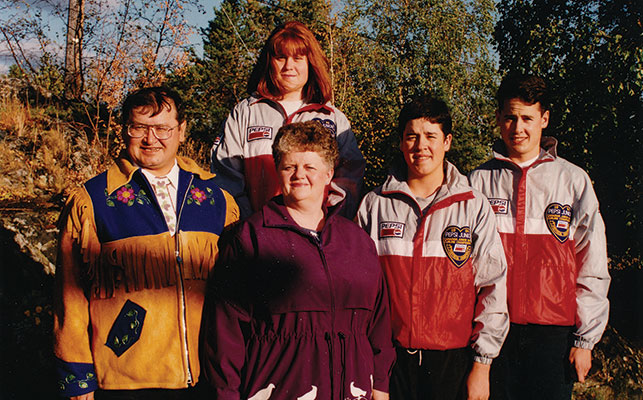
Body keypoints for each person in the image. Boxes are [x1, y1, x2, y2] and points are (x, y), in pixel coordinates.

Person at [53, 87, 239, 399]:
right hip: (126, 377)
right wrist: (77, 376)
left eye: (163, 128)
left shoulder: (218, 202)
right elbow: (69, 294)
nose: (151, 139)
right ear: (124, 130)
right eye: (139, 127)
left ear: (181, 131)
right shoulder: (92, 202)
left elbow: (236, 296)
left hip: (207, 374)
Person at [202, 121, 395, 400]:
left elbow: (378, 324)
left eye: (309, 167)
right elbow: (224, 334)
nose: (298, 175)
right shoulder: (251, 239)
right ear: (278, 171)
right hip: (278, 389)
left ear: (329, 174)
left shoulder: (357, 242)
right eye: (289, 166)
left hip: (353, 389)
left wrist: (381, 385)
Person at [468, 74, 610, 399]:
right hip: (492, 334)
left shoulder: (573, 181)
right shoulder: (476, 182)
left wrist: (585, 340)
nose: (518, 128)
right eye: (510, 117)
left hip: (552, 338)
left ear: (544, 119)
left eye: (527, 118)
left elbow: (593, 263)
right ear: (498, 119)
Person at [357, 95, 509, 400]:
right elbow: (360, 291)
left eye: (431, 136)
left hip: (452, 362)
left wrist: (482, 366)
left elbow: (493, 287)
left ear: (448, 141)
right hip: (391, 362)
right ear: (401, 142)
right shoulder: (374, 205)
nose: (420, 146)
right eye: (411, 136)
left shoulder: (473, 206)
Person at [210, 21, 365, 219]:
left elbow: (349, 179)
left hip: (316, 238)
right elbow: (226, 177)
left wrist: (328, 223)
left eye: (298, 58)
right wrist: (250, 225)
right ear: (269, 62)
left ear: (310, 62)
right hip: (257, 236)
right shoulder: (245, 112)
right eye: (281, 58)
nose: (289, 66)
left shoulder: (333, 118)